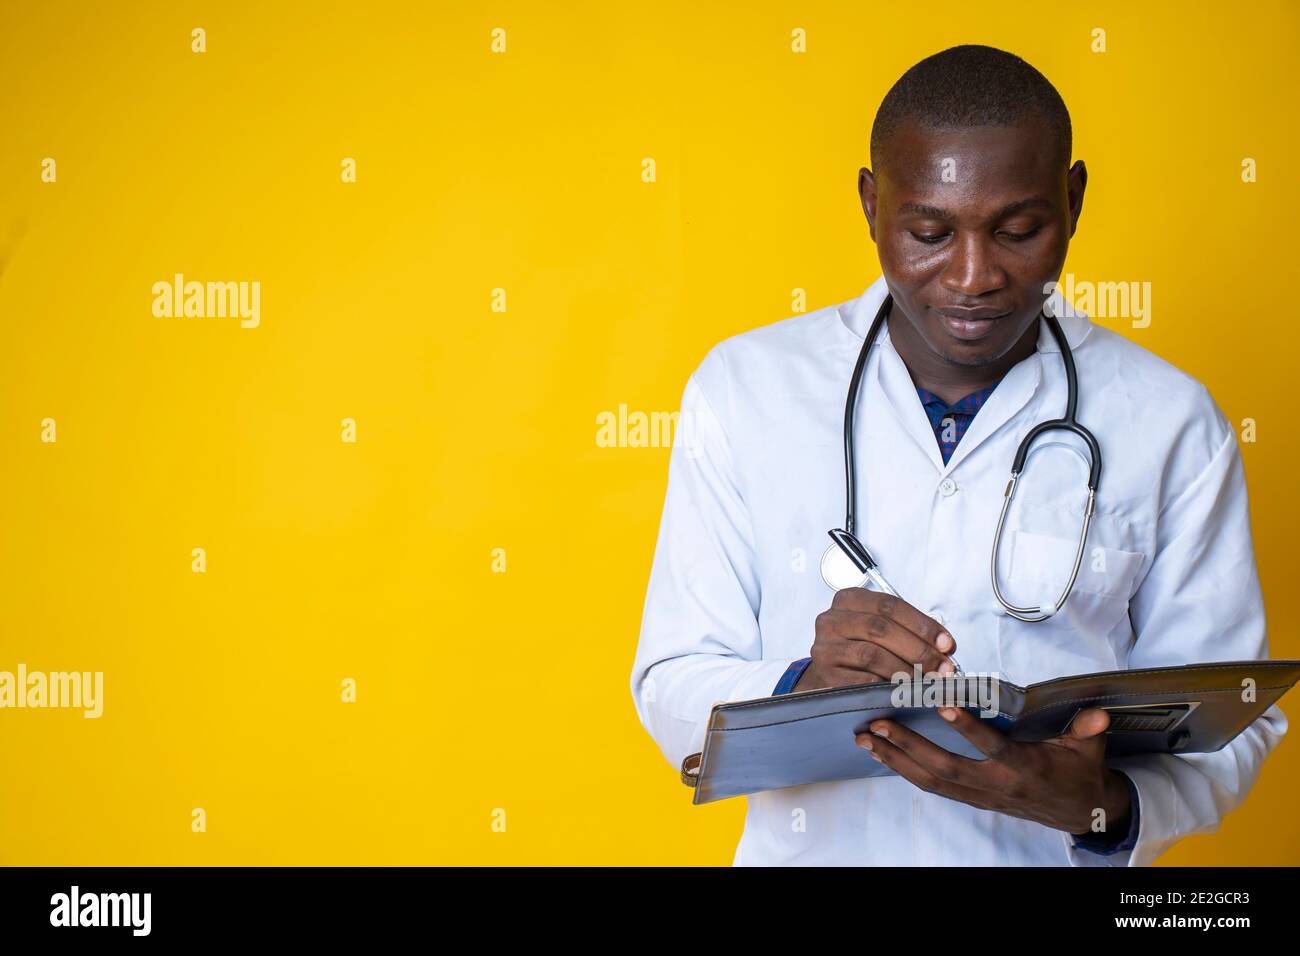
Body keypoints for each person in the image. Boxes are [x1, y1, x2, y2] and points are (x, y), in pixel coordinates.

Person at [630, 44, 1284, 866]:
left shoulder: (1171, 420)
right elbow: (671, 681)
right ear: (871, 206)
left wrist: (1105, 806)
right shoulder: (745, 389)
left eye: (1018, 230)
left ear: (1073, 201)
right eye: (929, 232)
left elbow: (1237, 710)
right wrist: (803, 685)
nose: (974, 277)